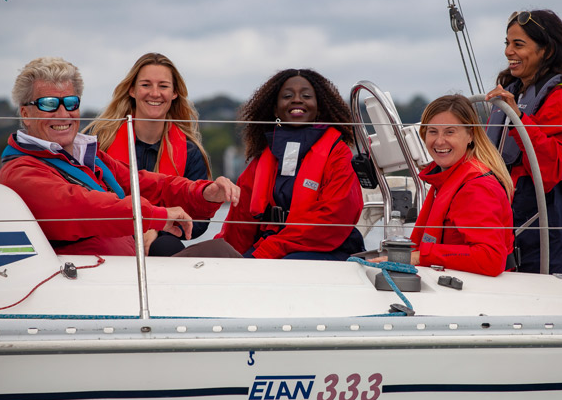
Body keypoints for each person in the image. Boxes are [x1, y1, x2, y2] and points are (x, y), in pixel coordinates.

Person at [0, 57, 241, 257]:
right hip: (88, 284)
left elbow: (145, 183)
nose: (64, 113)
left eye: (71, 102)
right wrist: (157, 217)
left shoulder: (89, 157)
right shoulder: (22, 171)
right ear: (25, 114)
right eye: (49, 104)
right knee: (220, 255)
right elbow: (83, 207)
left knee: (219, 252)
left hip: (122, 273)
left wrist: (205, 192)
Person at [485, 9, 562, 275]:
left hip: (550, 216)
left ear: (546, 50)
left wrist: (520, 118)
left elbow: (554, 164)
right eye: (507, 44)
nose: (508, 51)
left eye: (518, 44)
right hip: (515, 210)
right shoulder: (511, 93)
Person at [216, 69, 365, 260]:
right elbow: (241, 220)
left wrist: (270, 250)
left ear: (319, 108)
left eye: (306, 96)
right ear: (275, 109)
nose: (296, 100)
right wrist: (226, 258)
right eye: (287, 96)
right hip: (271, 244)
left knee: (282, 265)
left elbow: (335, 217)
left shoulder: (337, 153)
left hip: (327, 247)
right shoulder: (263, 157)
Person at [86, 53, 213, 256]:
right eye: (146, 85)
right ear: (132, 90)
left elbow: (199, 219)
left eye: (163, 86)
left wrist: (159, 227)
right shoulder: (99, 141)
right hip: (108, 232)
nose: (155, 93)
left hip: (161, 241)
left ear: (174, 94)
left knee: (168, 247)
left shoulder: (190, 152)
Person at [372, 95, 514, 277]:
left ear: (470, 135)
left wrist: (419, 257)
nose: (439, 141)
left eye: (449, 132)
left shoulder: (477, 187)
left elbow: (490, 258)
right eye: (432, 132)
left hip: (475, 291)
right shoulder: (448, 177)